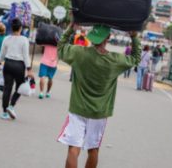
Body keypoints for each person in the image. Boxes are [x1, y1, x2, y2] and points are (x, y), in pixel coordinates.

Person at [57, 23, 141, 168]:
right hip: (99, 113)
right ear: (108, 37)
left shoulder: (78, 53)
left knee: (73, 148)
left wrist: (71, 28)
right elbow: (135, 58)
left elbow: (61, 48)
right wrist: (134, 37)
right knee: (93, 149)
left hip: (77, 109)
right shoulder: (115, 60)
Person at [0, 18, 33, 120]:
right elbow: (26, 56)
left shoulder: (6, 38)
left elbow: (2, 53)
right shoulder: (24, 40)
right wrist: (29, 69)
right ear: (20, 28)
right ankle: (11, 106)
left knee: (7, 88)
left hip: (8, 64)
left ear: (12, 28)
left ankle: (4, 112)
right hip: (19, 66)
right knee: (20, 87)